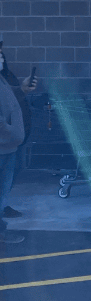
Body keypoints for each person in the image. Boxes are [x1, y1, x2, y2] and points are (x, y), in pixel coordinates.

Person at [0, 40, 38, 219]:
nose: (1, 54)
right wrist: (13, 133)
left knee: (5, 186)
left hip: (11, 143)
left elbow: (8, 96)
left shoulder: (4, 78)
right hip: (5, 142)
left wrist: (22, 88)